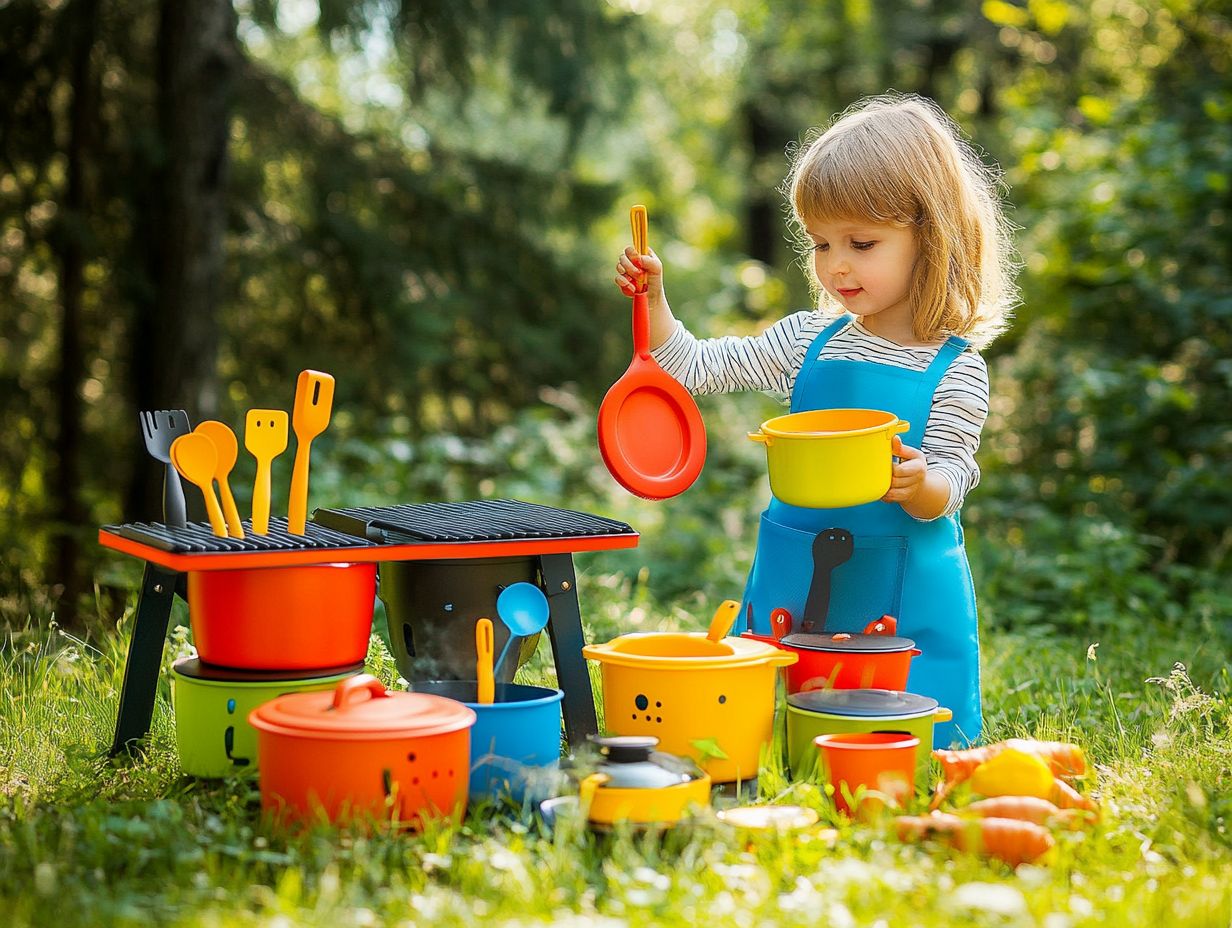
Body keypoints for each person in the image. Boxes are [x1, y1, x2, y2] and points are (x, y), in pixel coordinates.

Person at [613, 93, 1018, 746]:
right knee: (781, 724)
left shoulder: (955, 369)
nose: (836, 264)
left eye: (862, 242)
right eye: (822, 242)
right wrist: (655, 301)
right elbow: (692, 366)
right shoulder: (809, 339)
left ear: (931, 235)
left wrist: (923, 487)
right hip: (801, 571)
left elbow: (951, 474)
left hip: (903, 584)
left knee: (899, 727)